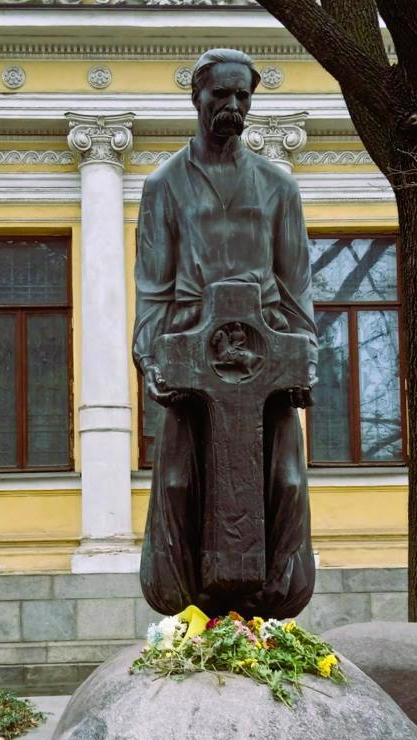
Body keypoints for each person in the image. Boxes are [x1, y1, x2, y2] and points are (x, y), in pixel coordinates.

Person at [133, 47, 317, 619]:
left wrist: (305, 355)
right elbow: (153, 289)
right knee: (180, 488)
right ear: (197, 96)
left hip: (265, 356)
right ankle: (193, 609)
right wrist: (152, 362)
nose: (234, 106)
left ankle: (269, 608)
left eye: (244, 96)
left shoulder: (277, 186)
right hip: (193, 350)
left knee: (283, 483)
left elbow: (296, 286)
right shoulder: (165, 185)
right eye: (222, 94)